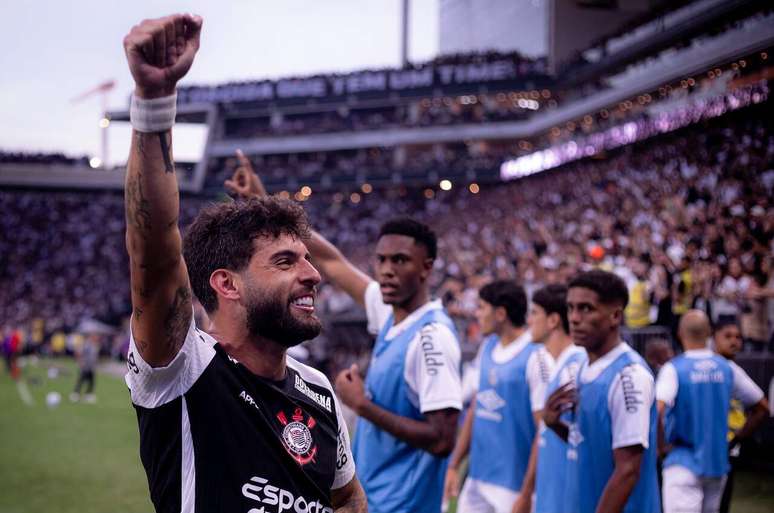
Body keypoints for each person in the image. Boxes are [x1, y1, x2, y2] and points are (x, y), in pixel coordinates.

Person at [121, 14, 365, 513]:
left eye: (306, 258)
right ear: (226, 284)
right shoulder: (183, 367)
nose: (313, 274)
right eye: (284, 261)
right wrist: (153, 105)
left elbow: (347, 500)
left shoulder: (316, 392)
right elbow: (153, 247)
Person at [225, 152, 461, 513]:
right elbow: (332, 261)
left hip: (402, 506)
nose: (387, 270)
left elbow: (443, 439)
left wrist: (362, 405)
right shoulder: (391, 314)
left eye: (400, 261)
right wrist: (265, 202)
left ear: (426, 268)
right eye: (381, 260)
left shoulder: (432, 338)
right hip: (374, 500)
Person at [544, 269, 660, 513]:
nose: (574, 318)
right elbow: (596, 447)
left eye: (586, 308)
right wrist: (555, 425)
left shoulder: (629, 376)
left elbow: (628, 470)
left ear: (615, 315)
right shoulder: (585, 368)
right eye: (570, 308)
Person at [444, 280, 550, 513]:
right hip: (478, 477)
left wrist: (527, 492)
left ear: (501, 313)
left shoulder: (536, 356)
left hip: (513, 486)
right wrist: (454, 464)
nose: (477, 313)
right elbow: (476, 407)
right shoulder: (488, 346)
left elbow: (544, 432)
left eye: (482, 307)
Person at [656, 310, 768, 513]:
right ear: (709, 333)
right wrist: (737, 438)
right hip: (717, 462)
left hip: (682, 461)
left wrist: (661, 447)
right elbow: (762, 407)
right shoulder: (727, 368)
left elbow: (658, 410)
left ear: (680, 333)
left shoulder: (674, 369)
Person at [530, 284, 586, 513]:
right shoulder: (555, 363)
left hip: (567, 491)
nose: (529, 320)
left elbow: (583, 438)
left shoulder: (574, 366)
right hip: (549, 487)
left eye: (534, 313)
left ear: (553, 320)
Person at [712, 319, 769, 513]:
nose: (734, 342)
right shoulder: (713, 367)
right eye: (727, 336)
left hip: (726, 448)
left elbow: (762, 408)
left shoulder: (733, 370)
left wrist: (737, 438)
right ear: (714, 338)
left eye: (738, 337)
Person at [70, 333, 99, 403]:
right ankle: (75, 394)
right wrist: (80, 361)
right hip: (85, 366)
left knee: (91, 381)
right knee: (81, 380)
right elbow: (79, 352)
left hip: (91, 367)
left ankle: (88, 395)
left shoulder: (94, 345)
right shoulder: (87, 345)